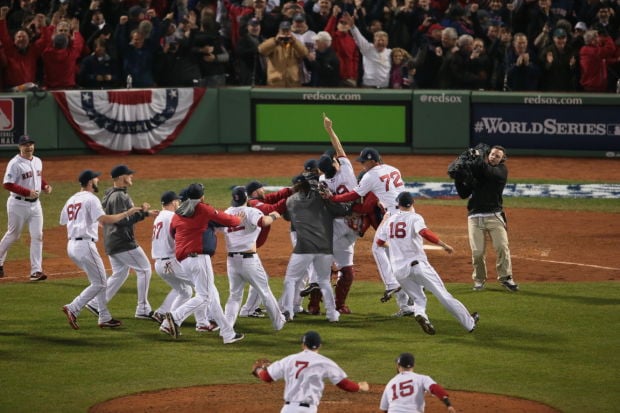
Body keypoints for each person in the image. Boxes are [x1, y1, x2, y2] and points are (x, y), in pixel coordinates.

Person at [327, 147, 416, 318]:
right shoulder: (392, 169)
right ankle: (407, 303)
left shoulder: (371, 178)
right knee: (399, 258)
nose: (362, 166)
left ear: (373, 160)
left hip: (394, 217)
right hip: (408, 214)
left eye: (364, 162)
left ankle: (394, 286)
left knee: (379, 249)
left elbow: (356, 198)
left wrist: (334, 199)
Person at [376, 191, 479, 334]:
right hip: (418, 266)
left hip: (399, 271)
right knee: (443, 295)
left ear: (398, 205)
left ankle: (420, 314)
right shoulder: (415, 217)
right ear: (412, 204)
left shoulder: (390, 220)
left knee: (419, 298)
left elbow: (380, 242)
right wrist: (443, 244)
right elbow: (424, 233)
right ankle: (469, 323)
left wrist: (395, 245)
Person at [159, 183, 245, 344]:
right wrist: (238, 219)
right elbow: (228, 220)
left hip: (183, 260)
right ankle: (174, 319)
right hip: (199, 258)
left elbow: (172, 232)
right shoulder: (203, 208)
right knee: (204, 297)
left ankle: (228, 333)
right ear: (202, 196)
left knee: (210, 295)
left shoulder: (178, 213)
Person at [60, 170, 142, 330]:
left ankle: (104, 317)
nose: (98, 180)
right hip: (85, 246)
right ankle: (73, 307)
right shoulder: (91, 198)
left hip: (71, 245)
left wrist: (90, 221)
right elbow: (104, 219)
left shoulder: (71, 199)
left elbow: (65, 220)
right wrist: (127, 213)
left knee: (99, 280)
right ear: (90, 182)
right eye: (96, 179)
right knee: (101, 282)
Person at [85, 164, 159, 319]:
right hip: (122, 241)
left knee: (120, 273)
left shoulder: (110, 193)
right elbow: (122, 220)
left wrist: (145, 212)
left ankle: (95, 303)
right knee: (144, 269)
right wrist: (143, 212)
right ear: (120, 177)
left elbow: (119, 216)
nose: (131, 176)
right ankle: (143, 309)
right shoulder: (119, 196)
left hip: (112, 240)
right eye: (128, 174)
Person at [280, 173, 351, 323]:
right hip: (324, 247)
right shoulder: (322, 198)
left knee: (291, 279)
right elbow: (342, 210)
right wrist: (328, 198)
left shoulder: (291, 201)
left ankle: (288, 311)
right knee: (324, 281)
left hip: (304, 248)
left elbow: (287, 216)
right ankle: (332, 314)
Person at [454, 145, 519, 292]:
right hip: (475, 218)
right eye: (492, 154)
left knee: (502, 247)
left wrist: (477, 157)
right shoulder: (478, 170)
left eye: (497, 156)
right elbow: (464, 194)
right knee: (477, 253)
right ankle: (479, 280)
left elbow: (488, 172)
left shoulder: (501, 171)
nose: (494, 157)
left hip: (494, 216)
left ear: (502, 159)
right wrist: (458, 178)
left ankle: (506, 278)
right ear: (488, 155)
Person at [253, 330, 370, 412]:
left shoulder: (289, 360)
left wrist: (258, 369)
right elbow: (344, 384)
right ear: (319, 346)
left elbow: (266, 377)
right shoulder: (325, 362)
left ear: (303, 345)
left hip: (288, 409)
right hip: (308, 410)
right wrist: (359, 387)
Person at [220, 186, 286, 331]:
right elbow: (263, 222)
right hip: (249, 260)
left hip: (231, 261)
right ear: (247, 198)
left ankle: (227, 327)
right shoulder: (251, 211)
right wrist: (275, 215)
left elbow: (216, 226)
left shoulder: (227, 212)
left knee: (234, 296)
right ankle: (278, 322)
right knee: (264, 291)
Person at [318, 115, 362, 314]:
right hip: (352, 223)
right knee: (343, 269)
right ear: (335, 164)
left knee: (332, 266)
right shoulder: (346, 170)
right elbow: (339, 147)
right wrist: (329, 129)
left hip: (336, 225)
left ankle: (330, 304)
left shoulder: (322, 180)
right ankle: (332, 304)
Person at [0, 135, 52, 280]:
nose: (29, 147)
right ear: (20, 147)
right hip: (18, 204)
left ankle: (36, 271)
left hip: (36, 205)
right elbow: (7, 184)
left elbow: (37, 177)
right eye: (25, 145)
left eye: (30, 144)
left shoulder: (37, 161)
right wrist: (27, 192)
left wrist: (45, 185)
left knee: (38, 236)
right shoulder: (14, 163)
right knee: (13, 235)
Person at [380, 352, 456, 413]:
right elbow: (436, 388)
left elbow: (385, 409)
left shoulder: (390, 383)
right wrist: (448, 405)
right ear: (413, 366)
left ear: (398, 366)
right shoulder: (422, 378)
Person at [341, 11, 391, 88]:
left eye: (383, 40)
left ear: (387, 42)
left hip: (385, 88)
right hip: (368, 87)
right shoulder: (368, 49)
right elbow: (358, 37)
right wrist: (352, 26)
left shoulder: (390, 53)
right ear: (374, 40)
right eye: (378, 40)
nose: (380, 42)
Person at [258, 20, 309, 87]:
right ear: (279, 31)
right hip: (275, 82)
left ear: (290, 31)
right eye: (283, 31)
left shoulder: (295, 43)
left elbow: (304, 53)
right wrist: (275, 41)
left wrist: (294, 42)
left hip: (293, 82)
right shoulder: (273, 42)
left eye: (287, 31)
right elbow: (261, 50)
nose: (285, 33)